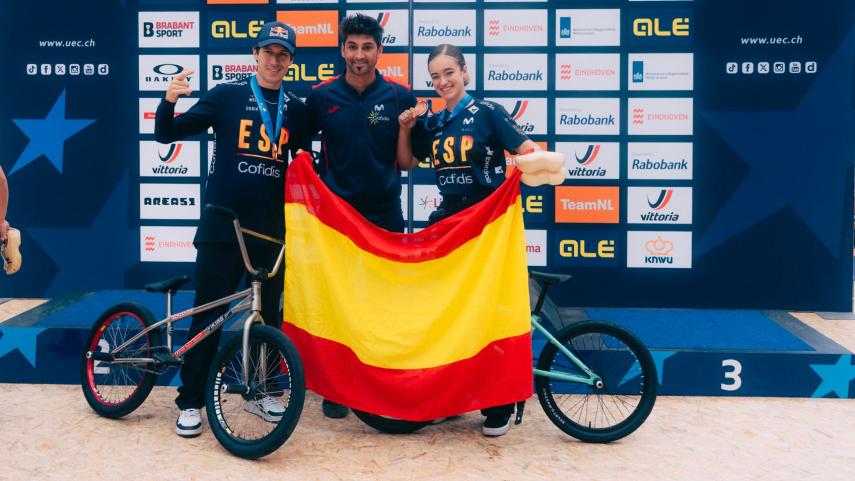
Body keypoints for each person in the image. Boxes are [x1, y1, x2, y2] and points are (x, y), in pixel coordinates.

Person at [154, 21, 309, 438]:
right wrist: (169, 99)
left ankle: (261, 391)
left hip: (271, 233)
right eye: (268, 52)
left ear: (291, 61)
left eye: (283, 54)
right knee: (209, 315)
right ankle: (190, 401)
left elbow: (308, 165)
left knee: (269, 317)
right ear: (255, 54)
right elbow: (166, 133)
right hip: (223, 227)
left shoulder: (297, 109)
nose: (275, 60)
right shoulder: (227, 95)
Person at [397, 44, 541, 437]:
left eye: (449, 72)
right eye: (435, 77)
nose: (442, 82)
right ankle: (451, 398)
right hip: (449, 225)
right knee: (449, 315)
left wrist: (533, 163)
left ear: (465, 72)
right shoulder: (435, 123)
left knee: (488, 314)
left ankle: (498, 404)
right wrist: (406, 128)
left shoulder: (489, 112)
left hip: (486, 227)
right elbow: (407, 162)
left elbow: (526, 150)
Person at [305, 13, 418, 419]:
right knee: (341, 303)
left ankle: (382, 382)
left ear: (379, 51)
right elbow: (296, 147)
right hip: (337, 219)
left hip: (386, 215)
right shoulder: (320, 97)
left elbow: (409, 160)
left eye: (367, 47)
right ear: (341, 49)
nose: (359, 55)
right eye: (352, 46)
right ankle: (339, 388)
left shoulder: (400, 96)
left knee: (386, 302)